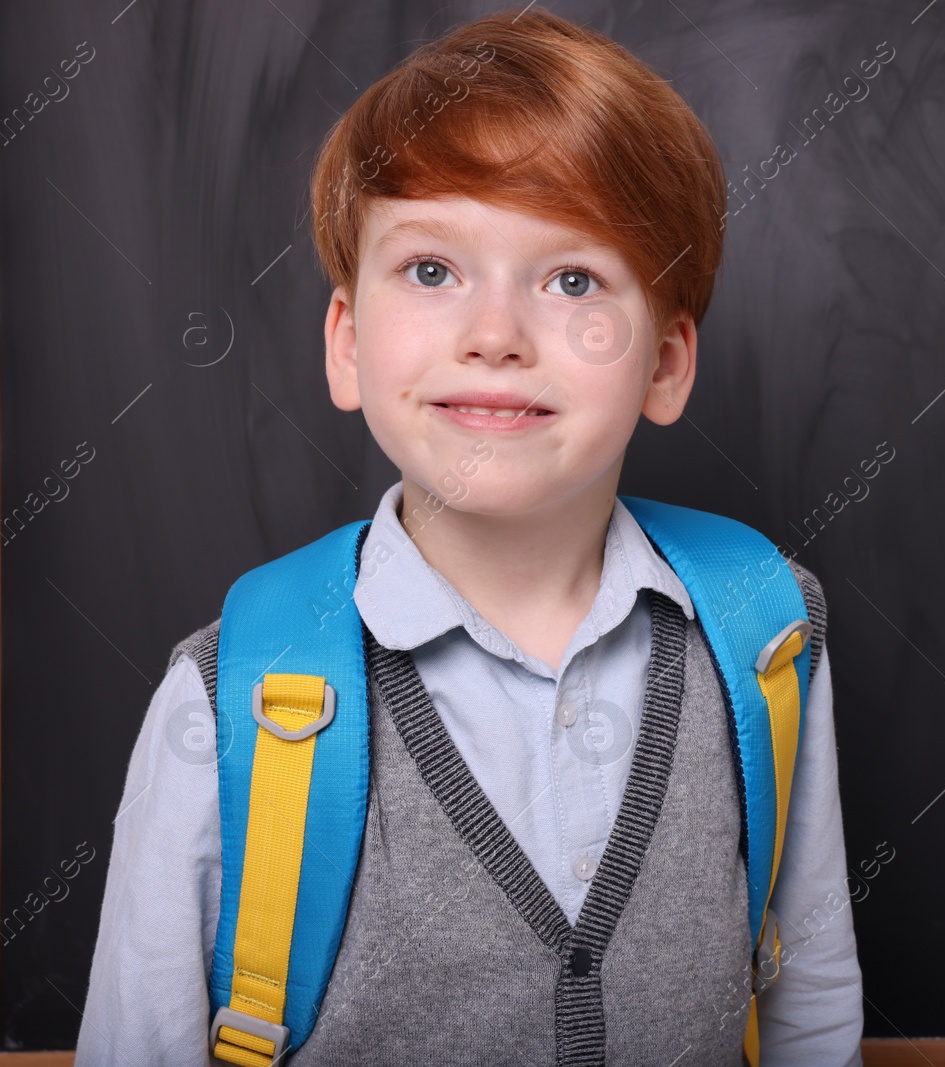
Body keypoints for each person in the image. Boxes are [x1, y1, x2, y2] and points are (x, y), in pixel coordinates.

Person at [75, 9, 863, 1065]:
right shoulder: (237, 698)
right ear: (348, 345)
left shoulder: (766, 628)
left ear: (666, 364)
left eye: (573, 280)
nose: (494, 334)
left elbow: (807, 987)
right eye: (433, 271)